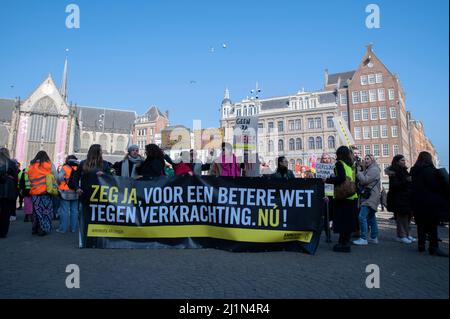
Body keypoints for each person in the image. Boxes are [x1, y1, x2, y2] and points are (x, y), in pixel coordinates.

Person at [411, 152, 449, 257]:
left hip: (417, 202)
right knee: (432, 226)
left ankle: (421, 246)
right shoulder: (430, 171)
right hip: (430, 202)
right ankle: (433, 247)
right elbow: (435, 186)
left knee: (420, 225)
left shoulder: (414, 171)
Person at [325, 146, 358, 252]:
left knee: (341, 220)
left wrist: (328, 179)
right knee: (348, 221)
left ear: (339, 154)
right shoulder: (350, 165)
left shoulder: (339, 163)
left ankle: (342, 244)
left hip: (342, 196)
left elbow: (341, 178)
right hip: (351, 195)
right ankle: (345, 242)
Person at [385, 155, 415, 244]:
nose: (404, 162)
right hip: (398, 197)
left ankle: (405, 234)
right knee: (401, 217)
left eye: (404, 160)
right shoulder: (394, 172)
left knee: (407, 216)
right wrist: (407, 180)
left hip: (405, 197)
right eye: (402, 160)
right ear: (397, 161)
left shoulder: (404, 170)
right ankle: (402, 235)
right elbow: (394, 185)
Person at [353, 154, 381, 245]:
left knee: (362, 217)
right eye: (365, 159)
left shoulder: (374, 169)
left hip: (370, 196)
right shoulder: (368, 169)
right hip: (369, 196)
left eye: (368, 159)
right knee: (371, 217)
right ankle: (373, 237)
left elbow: (364, 180)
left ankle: (363, 238)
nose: (366, 160)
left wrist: (358, 172)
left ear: (372, 160)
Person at [27, 150, 56, 236]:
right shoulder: (49, 165)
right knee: (46, 211)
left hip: (35, 192)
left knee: (36, 211)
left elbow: (29, 177)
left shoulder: (31, 166)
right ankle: (44, 228)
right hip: (46, 192)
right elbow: (55, 176)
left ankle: (35, 228)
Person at [55, 155, 79, 233]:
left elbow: (59, 178)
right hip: (75, 191)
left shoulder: (65, 168)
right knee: (74, 210)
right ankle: (73, 228)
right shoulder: (78, 168)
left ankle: (63, 229)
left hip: (65, 192)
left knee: (64, 210)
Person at [0, 148, 19, 238]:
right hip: (9, 192)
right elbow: (16, 179)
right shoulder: (11, 163)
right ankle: (3, 232)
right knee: (6, 212)